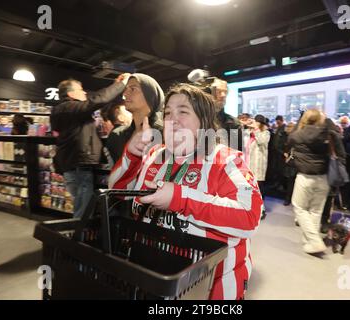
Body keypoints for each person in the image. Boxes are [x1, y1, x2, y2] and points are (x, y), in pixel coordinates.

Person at [109, 83, 262, 300]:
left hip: (211, 286)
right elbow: (117, 192)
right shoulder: (154, 154)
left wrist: (180, 199)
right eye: (168, 112)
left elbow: (250, 217)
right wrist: (131, 157)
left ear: (204, 122)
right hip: (154, 275)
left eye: (183, 111)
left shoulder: (227, 160)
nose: (172, 119)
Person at [50, 74, 128, 218]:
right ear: (71, 94)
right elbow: (99, 99)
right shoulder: (71, 108)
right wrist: (121, 84)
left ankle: (110, 221)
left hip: (69, 166)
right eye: (81, 90)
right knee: (83, 212)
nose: (85, 93)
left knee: (87, 204)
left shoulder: (59, 110)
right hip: (80, 166)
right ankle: (75, 236)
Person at [288, 109, 344, 254]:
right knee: (316, 211)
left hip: (305, 177)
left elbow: (288, 142)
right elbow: (340, 152)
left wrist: (300, 123)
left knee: (300, 208)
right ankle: (310, 243)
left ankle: (314, 241)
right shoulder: (329, 134)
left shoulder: (297, 134)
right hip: (324, 177)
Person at [104, 74, 163, 166]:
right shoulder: (121, 134)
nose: (124, 94)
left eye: (132, 89)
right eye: (125, 89)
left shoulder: (164, 132)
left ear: (150, 95)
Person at [211, 78, 243, 151]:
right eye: (218, 91)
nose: (223, 95)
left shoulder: (234, 124)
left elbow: (237, 156)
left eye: (225, 92)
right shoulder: (198, 119)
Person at [249, 115, 271, 220]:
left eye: (256, 122)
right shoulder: (250, 132)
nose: (254, 123)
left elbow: (262, 141)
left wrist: (256, 129)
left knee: (258, 189)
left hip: (258, 166)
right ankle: (252, 208)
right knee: (250, 188)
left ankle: (261, 210)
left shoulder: (265, 133)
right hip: (249, 165)